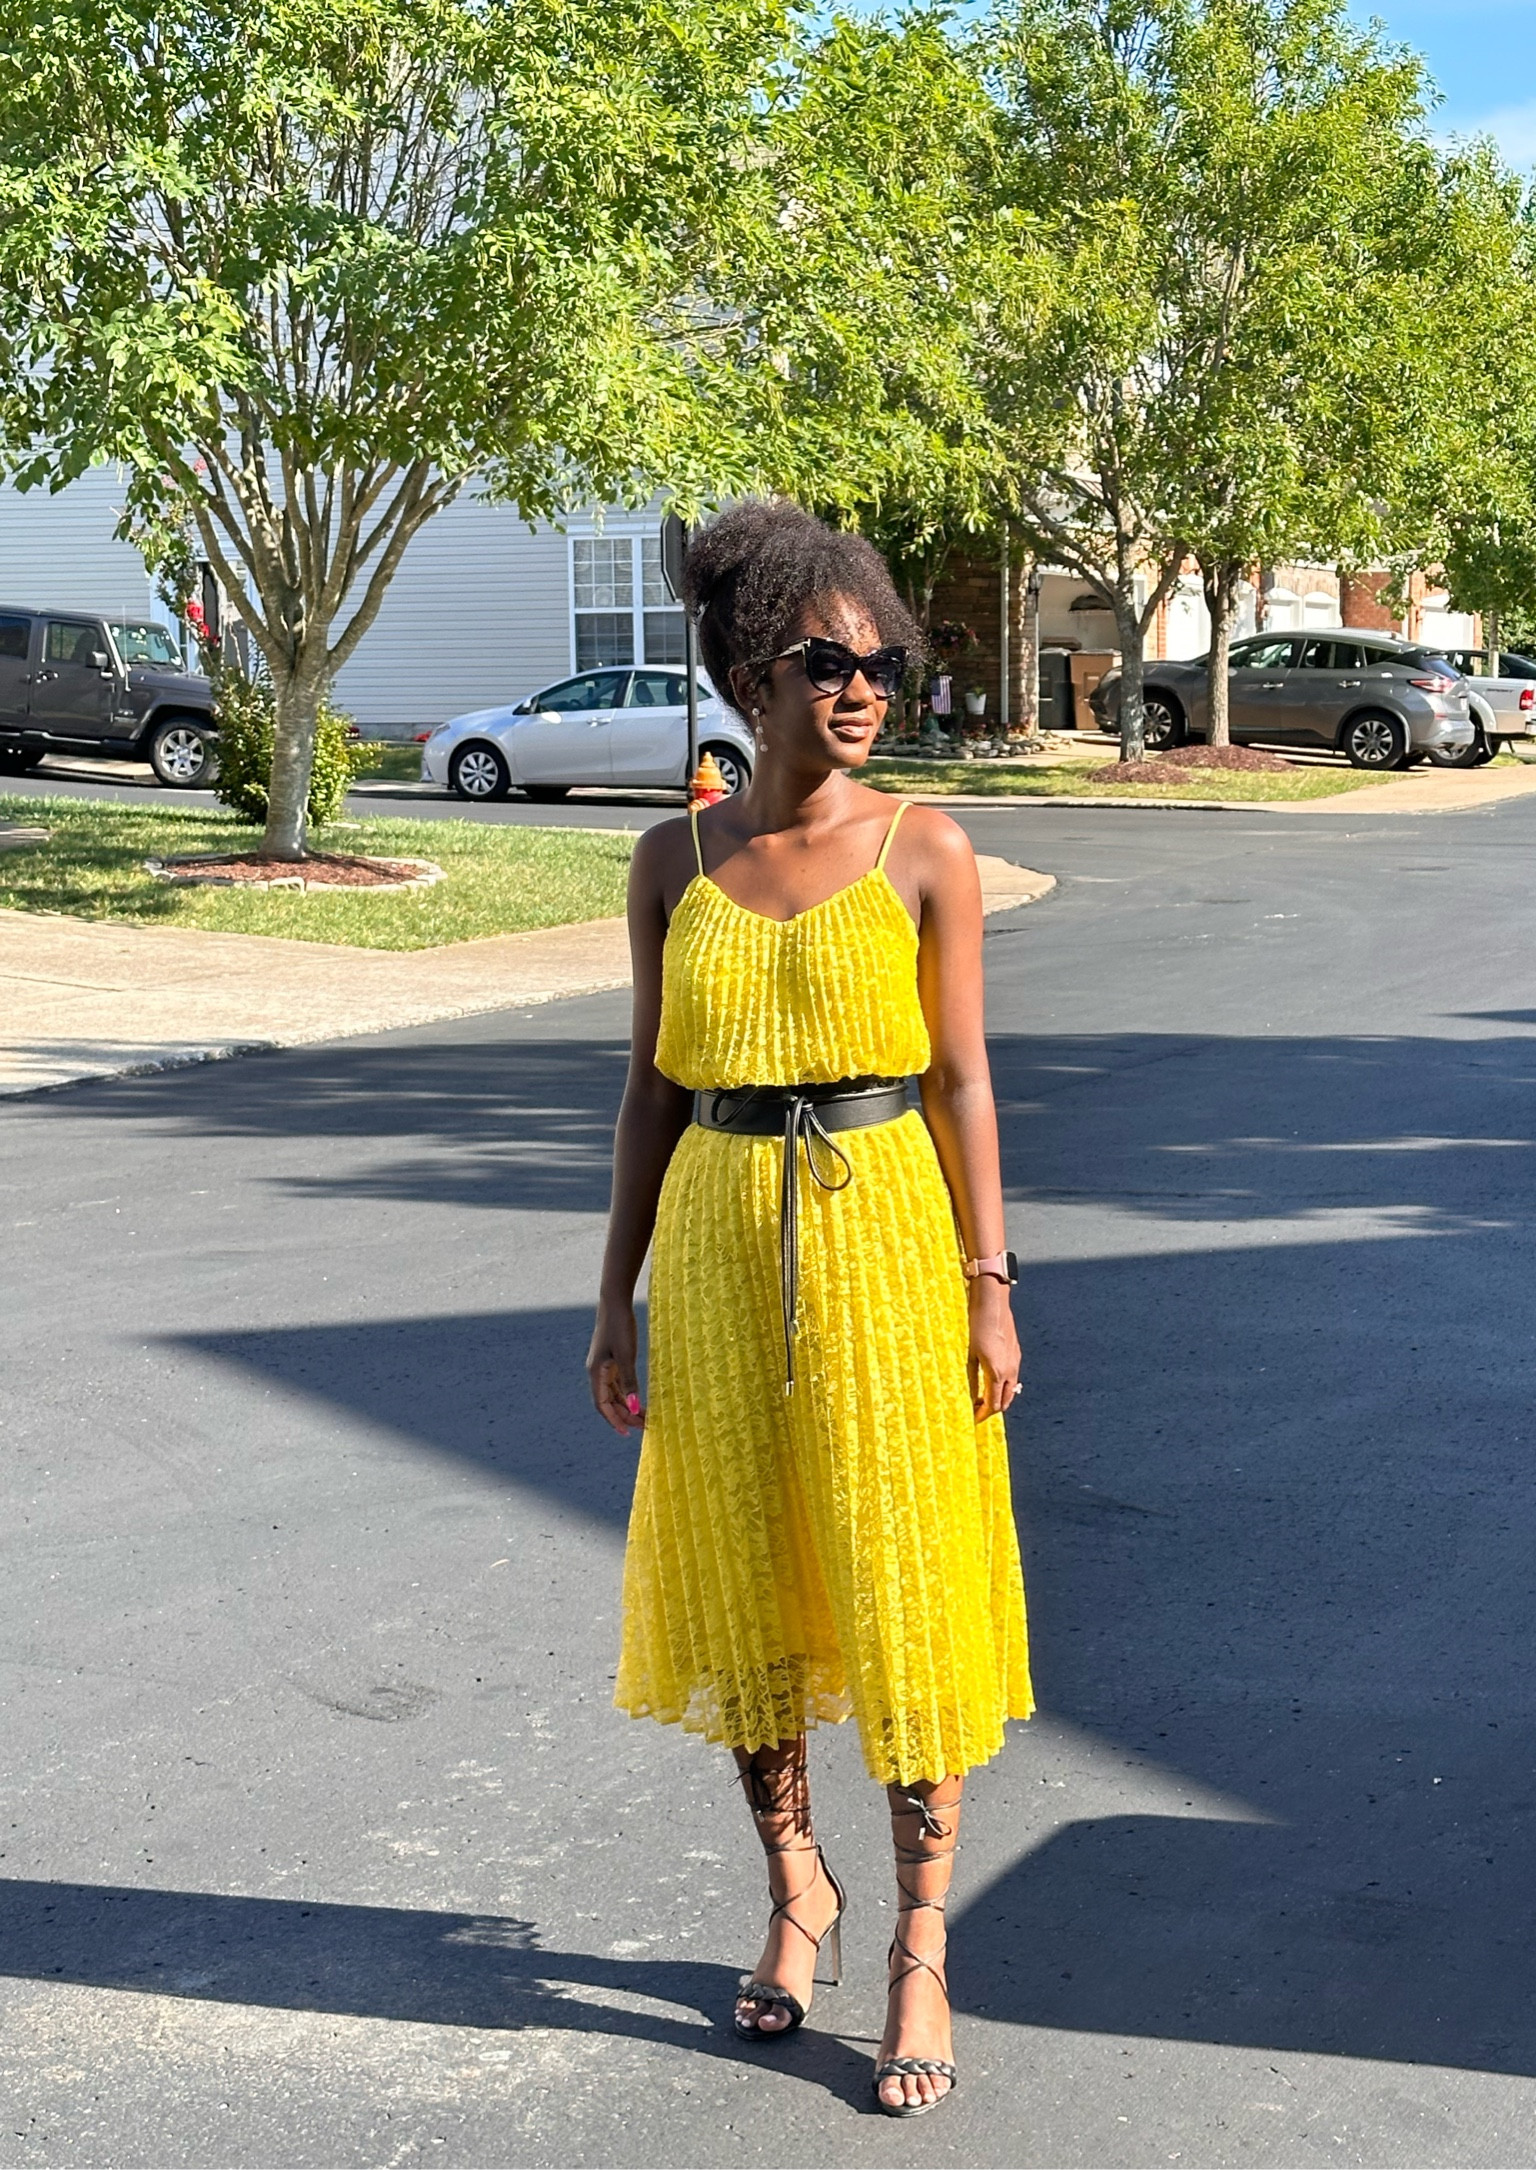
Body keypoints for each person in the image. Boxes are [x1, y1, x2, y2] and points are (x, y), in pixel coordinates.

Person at [587, 499, 1032, 2118]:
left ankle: (920, 1940)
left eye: (883, 663)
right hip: (715, 1250)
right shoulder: (674, 861)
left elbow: (963, 1080)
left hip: (886, 1243)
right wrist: (615, 1293)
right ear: (745, 678)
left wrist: (989, 1284)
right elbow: (650, 1090)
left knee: (903, 1580)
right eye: (827, 662)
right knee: (742, 1576)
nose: (862, 689)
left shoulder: (925, 847)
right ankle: (797, 1888)